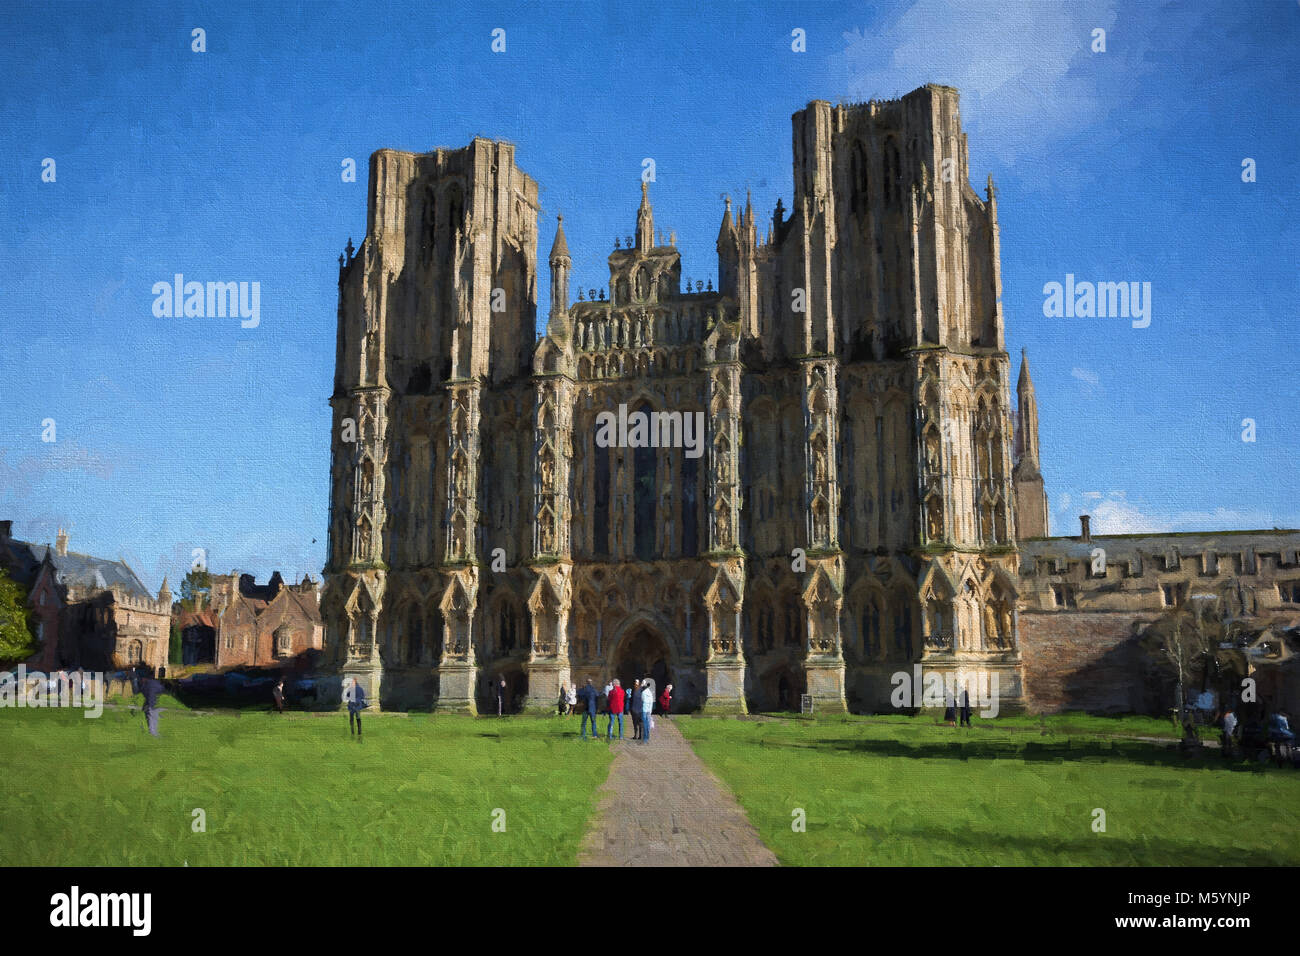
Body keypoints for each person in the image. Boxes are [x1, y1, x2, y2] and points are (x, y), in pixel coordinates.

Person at [141, 669, 164, 737]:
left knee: (151, 717)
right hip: (153, 704)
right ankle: (153, 733)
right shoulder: (156, 684)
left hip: (150, 703)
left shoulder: (148, 684)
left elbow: (144, 692)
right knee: (153, 717)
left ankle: (152, 732)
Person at [640, 679, 654, 744]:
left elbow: (642, 700)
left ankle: (645, 739)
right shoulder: (650, 693)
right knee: (648, 724)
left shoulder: (643, 693)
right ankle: (648, 737)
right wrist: (650, 710)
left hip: (644, 710)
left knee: (645, 724)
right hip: (649, 710)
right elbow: (651, 702)